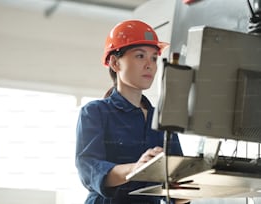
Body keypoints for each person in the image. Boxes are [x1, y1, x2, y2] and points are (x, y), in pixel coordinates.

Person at [75, 19, 189, 204]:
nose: (150, 65)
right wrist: (136, 169)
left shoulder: (163, 118)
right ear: (115, 63)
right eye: (140, 56)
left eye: (154, 57)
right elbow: (89, 168)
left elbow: (176, 187)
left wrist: (189, 187)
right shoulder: (95, 112)